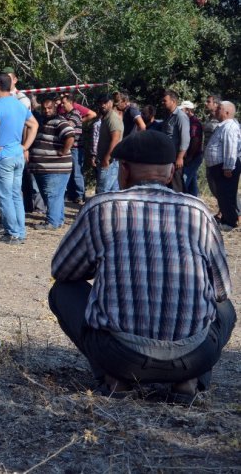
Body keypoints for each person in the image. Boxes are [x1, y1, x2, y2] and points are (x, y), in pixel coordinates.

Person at [49, 130, 236, 398]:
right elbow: (221, 291)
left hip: (121, 356)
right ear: (171, 172)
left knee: (62, 291)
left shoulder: (101, 207)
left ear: (124, 170)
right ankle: (189, 383)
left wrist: (102, 261)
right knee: (226, 308)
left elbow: (62, 271)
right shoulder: (199, 212)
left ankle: (114, 380)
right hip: (193, 356)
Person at [0, 72, 39, 244]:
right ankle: (20, 232)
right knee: (16, 195)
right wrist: (25, 146)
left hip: (3, 157)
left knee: (5, 196)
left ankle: (12, 233)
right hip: (17, 154)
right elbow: (34, 124)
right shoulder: (19, 105)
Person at [29, 98, 75, 229]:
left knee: (52, 195)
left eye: (49, 108)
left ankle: (52, 222)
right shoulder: (44, 122)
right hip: (45, 167)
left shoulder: (59, 122)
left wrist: (63, 151)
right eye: (44, 108)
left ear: (55, 107)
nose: (46, 110)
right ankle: (58, 219)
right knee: (54, 196)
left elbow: (70, 135)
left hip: (55, 168)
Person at [204, 101, 241, 231]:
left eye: (219, 108)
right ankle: (226, 219)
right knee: (222, 194)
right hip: (219, 167)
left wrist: (228, 167)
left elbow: (230, 147)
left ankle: (230, 222)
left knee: (226, 195)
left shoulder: (229, 126)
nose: (216, 109)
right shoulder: (223, 126)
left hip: (224, 168)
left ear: (226, 112)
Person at [161, 89, 190, 193]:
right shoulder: (168, 116)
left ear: (173, 101)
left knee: (177, 185)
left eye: (165, 101)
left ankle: (180, 207)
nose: (163, 103)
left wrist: (180, 157)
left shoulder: (181, 117)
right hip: (167, 156)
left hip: (175, 158)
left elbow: (185, 138)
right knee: (168, 185)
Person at [95, 95, 124, 193]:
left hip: (110, 161)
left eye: (105, 103)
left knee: (102, 191)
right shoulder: (106, 117)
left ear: (111, 103)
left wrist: (106, 158)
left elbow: (115, 139)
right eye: (100, 103)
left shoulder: (112, 118)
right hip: (110, 160)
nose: (102, 105)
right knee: (113, 192)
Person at [61, 93, 86, 204]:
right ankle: (72, 195)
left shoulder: (75, 114)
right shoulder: (67, 114)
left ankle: (80, 195)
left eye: (64, 103)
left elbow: (68, 126)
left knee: (76, 173)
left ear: (70, 102)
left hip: (76, 148)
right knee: (70, 173)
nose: (62, 105)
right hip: (70, 148)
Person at [180, 100, 204, 196]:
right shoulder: (188, 121)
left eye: (182, 110)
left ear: (188, 110)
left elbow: (195, 140)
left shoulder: (194, 123)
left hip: (194, 156)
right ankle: (194, 200)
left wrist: (190, 156)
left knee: (184, 179)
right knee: (192, 181)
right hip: (193, 155)